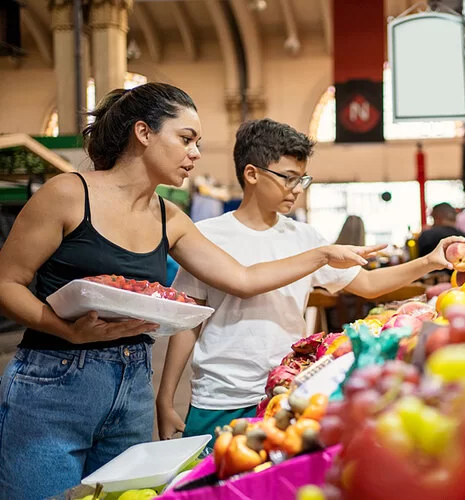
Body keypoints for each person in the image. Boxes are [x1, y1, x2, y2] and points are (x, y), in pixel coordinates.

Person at [0, 83, 382, 500]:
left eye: (197, 142)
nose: (196, 153)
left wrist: (321, 254)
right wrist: (67, 330)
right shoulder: (68, 195)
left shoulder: (170, 217)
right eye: (186, 139)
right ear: (143, 133)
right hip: (54, 379)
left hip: (132, 382)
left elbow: (243, 279)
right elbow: (7, 284)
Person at [156, 119, 465, 442]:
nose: (296, 189)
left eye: (301, 179)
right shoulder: (207, 237)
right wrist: (165, 400)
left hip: (286, 393)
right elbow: (188, 322)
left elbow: (368, 285)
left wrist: (429, 261)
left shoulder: (304, 238)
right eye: (288, 178)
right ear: (251, 174)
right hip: (218, 398)